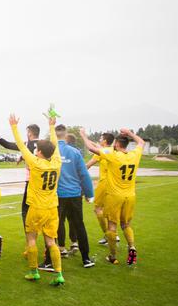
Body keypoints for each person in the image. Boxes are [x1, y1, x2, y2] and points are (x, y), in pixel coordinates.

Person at [9, 113, 65, 285]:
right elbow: (54, 145)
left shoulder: (35, 163)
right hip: (52, 208)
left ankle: (34, 272)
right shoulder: (56, 162)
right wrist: (51, 127)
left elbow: (20, 145)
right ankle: (59, 274)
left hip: (36, 208)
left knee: (32, 238)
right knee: (51, 241)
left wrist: (14, 127)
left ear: (39, 152)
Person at [80, 128, 145, 265]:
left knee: (112, 227)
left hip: (114, 196)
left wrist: (83, 135)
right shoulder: (134, 154)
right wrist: (130, 133)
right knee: (126, 224)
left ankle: (113, 256)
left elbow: (91, 148)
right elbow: (141, 142)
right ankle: (132, 247)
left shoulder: (113, 155)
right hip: (130, 196)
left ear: (116, 145)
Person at [45, 124, 96, 269]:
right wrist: (89, 194)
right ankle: (86, 258)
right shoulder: (74, 152)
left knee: (53, 226)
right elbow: (84, 174)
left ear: (54, 134)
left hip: (57, 195)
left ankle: (50, 259)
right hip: (74, 194)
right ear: (66, 135)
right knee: (79, 225)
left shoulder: (50, 152)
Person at [0, 124, 40, 230]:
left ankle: (29, 235)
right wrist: (23, 156)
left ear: (29, 133)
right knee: (44, 209)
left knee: (26, 210)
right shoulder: (44, 144)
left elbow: (8, 145)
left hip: (31, 181)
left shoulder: (27, 144)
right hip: (43, 180)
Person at [85, 133, 119, 245]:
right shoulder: (114, 151)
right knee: (109, 211)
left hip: (104, 183)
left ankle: (107, 234)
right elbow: (96, 145)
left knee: (97, 209)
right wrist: (92, 141)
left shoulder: (101, 153)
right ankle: (114, 234)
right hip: (115, 185)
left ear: (104, 141)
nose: (99, 139)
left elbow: (88, 165)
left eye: (100, 138)